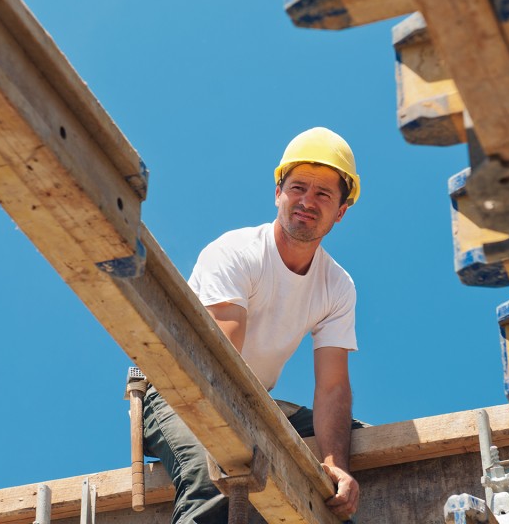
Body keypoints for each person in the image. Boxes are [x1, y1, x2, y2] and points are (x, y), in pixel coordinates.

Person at [142, 127, 366, 523]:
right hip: (180, 390)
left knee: (355, 439)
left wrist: (336, 465)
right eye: (298, 188)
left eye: (323, 194)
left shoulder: (338, 286)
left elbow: (332, 386)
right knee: (215, 465)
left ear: (341, 211)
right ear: (278, 193)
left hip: (255, 403)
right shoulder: (237, 252)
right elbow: (218, 362)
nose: (307, 202)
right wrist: (248, 436)